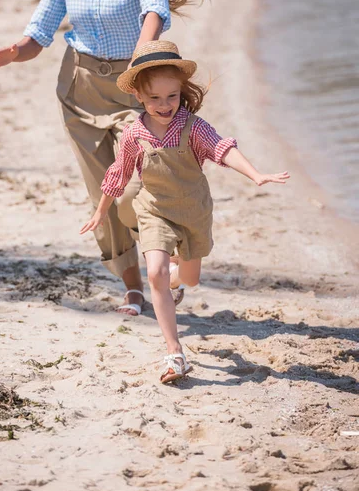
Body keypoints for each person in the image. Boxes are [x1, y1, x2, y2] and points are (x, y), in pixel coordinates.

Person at [0, 0, 211, 317]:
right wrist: (16, 52)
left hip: (135, 86)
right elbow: (41, 29)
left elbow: (154, 7)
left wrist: (142, 60)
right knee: (100, 191)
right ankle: (134, 289)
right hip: (80, 88)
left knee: (142, 182)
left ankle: (165, 260)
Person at [80, 40, 291, 383]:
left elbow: (223, 149)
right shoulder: (134, 133)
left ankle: (179, 277)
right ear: (139, 97)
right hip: (154, 211)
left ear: (181, 92)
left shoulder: (194, 126)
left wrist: (256, 174)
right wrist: (101, 211)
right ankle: (174, 353)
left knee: (189, 278)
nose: (164, 105)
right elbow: (118, 173)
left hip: (193, 212)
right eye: (155, 99)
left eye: (172, 97)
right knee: (155, 274)